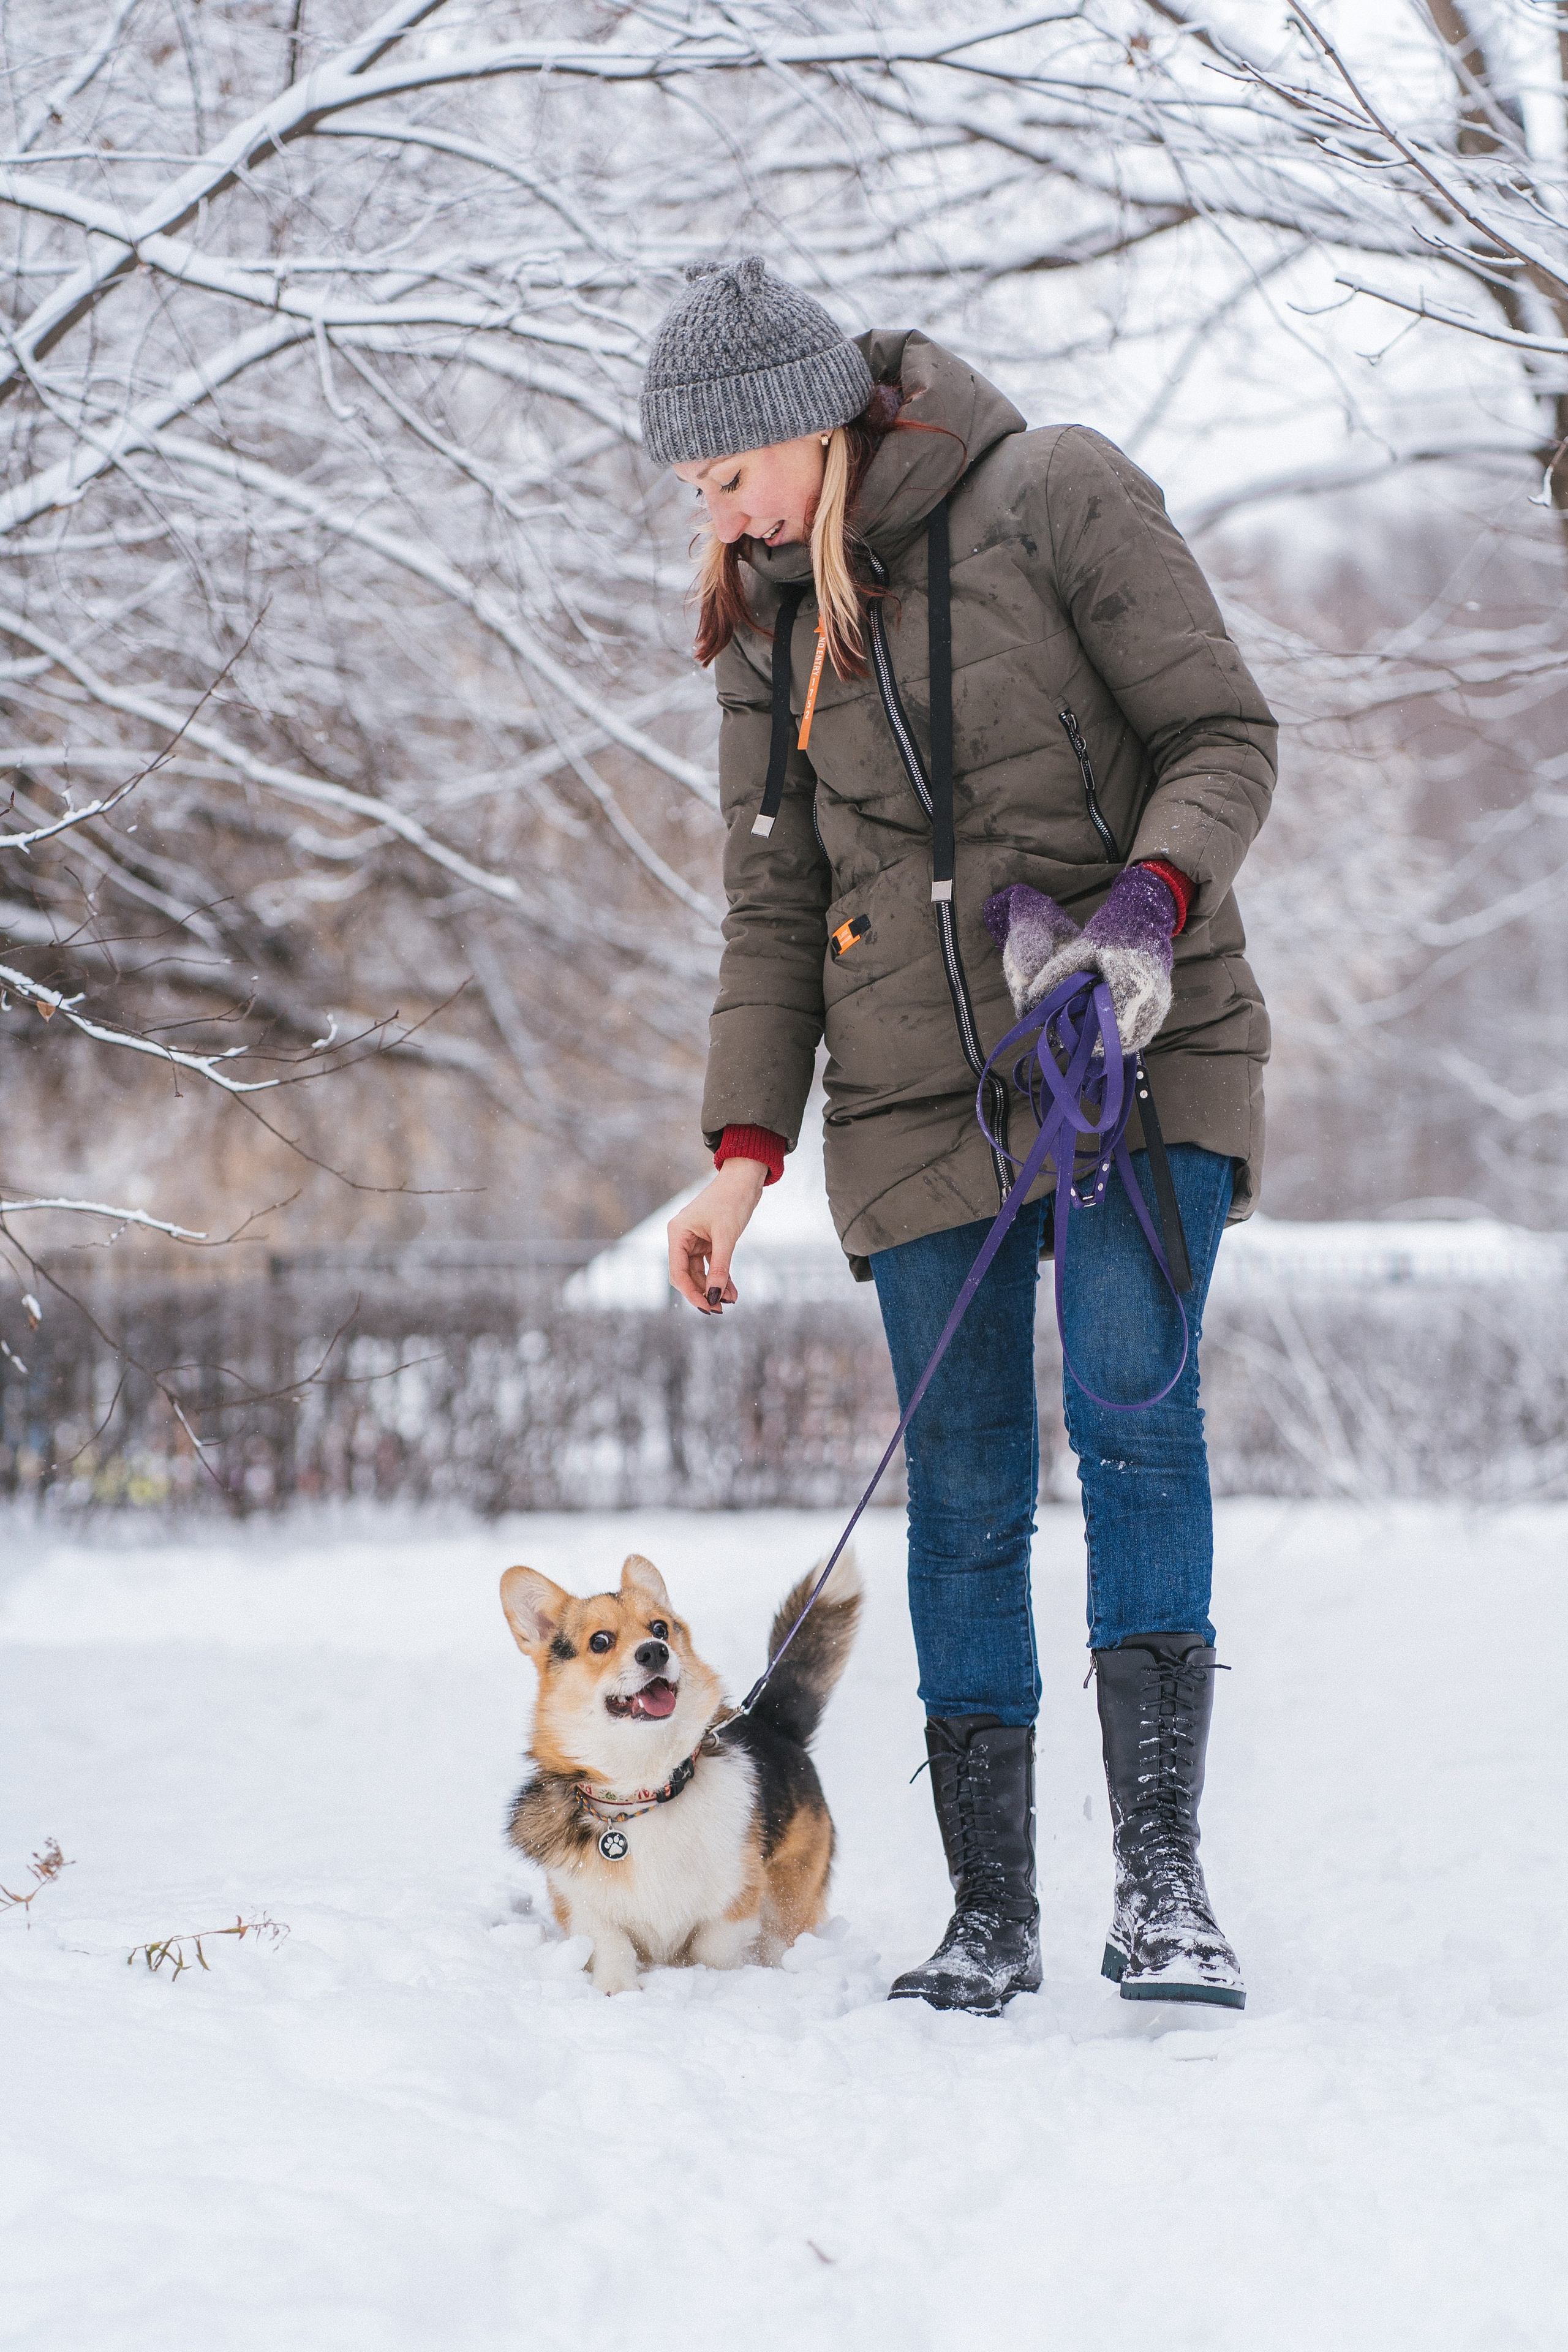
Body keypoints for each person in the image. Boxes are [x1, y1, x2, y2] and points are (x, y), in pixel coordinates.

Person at [647, 258, 1275, 2016]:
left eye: (726, 475)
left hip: (1125, 1040)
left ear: (806, 415)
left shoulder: (1052, 490)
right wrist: (744, 1148)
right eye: (702, 494)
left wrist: (1147, 903)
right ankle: (988, 1915)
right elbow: (772, 913)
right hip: (918, 1092)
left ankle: (1164, 1888)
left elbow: (1223, 734)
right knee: (966, 1498)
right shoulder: (763, 625)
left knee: (1137, 1429)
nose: (719, 513)